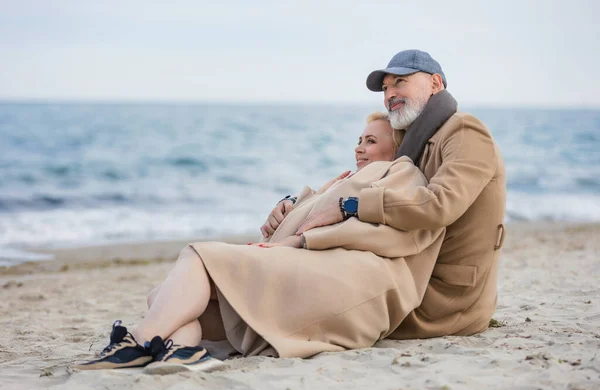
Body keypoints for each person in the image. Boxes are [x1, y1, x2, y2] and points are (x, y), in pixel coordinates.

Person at [74, 112, 446, 373]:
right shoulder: (345, 178)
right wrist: (288, 207)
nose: (359, 148)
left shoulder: (401, 172)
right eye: (358, 140)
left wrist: (300, 242)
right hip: (294, 267)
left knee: (197, 255)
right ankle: (183, 353)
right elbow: (310, 212)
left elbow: (389, 231)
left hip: (334, 277)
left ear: (395, 148)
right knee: (165, 296)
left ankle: (135, 344)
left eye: (370, 141)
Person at [292, 49, 507, 339]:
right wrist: (295, 205)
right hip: (411, 270)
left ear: (435, 84)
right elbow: (364, 182)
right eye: (385, 88)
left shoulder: (464, 130)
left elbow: (438, 206)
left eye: (400, 82)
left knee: (312, 291)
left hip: (446, 297)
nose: (389, 93)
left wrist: (350, 207)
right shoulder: (413, 139)